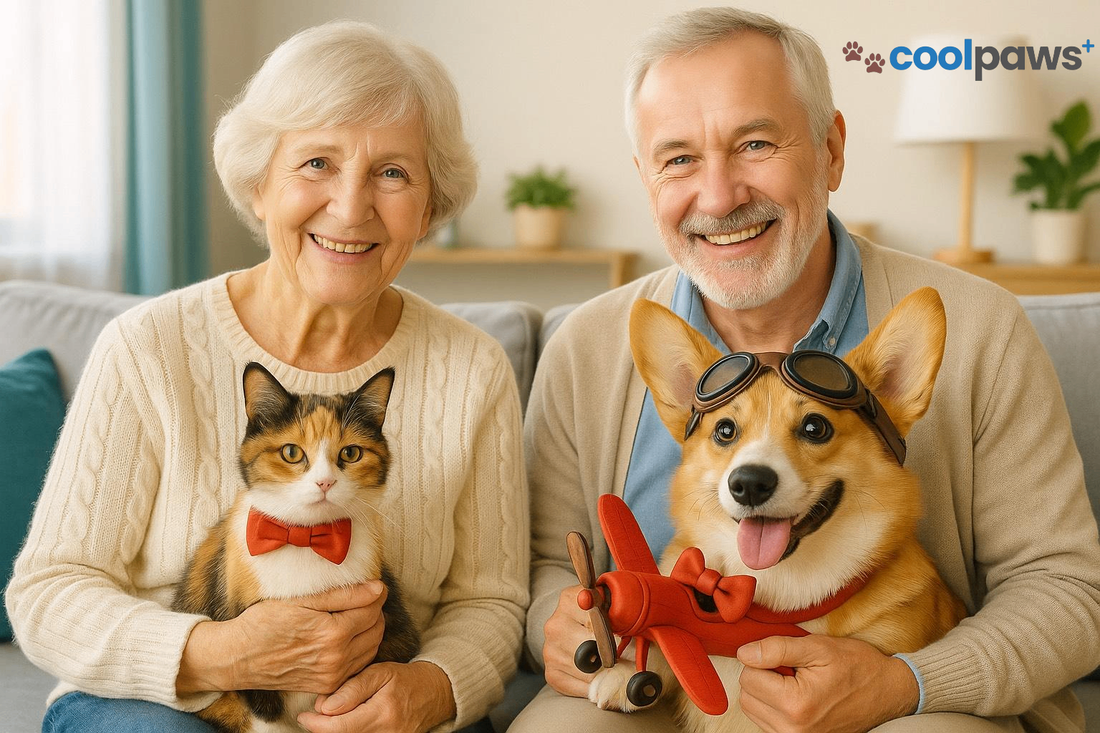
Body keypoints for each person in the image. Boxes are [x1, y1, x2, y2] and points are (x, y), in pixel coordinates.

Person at [512, 7, 1100, 733]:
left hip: (896, 692)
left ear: (831, 150)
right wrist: (563, 624)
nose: (720, 196)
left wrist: (906, 681)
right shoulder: (588, 345)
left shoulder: (984, 327)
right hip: (665, 690)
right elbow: (543, 564)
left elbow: (1065, 588)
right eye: (679, 158)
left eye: (754, 143)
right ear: (645, 178)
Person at [5, 21, 528, 733]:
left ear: (429, 207)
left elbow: (491, 600)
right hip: (166, 700)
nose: (350, 206)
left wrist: (430, 688)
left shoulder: (474, 366)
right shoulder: (146, 345)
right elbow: (47, 592)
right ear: (259, 185)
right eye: (316, 163)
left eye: (393, 172)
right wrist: (219, 652)